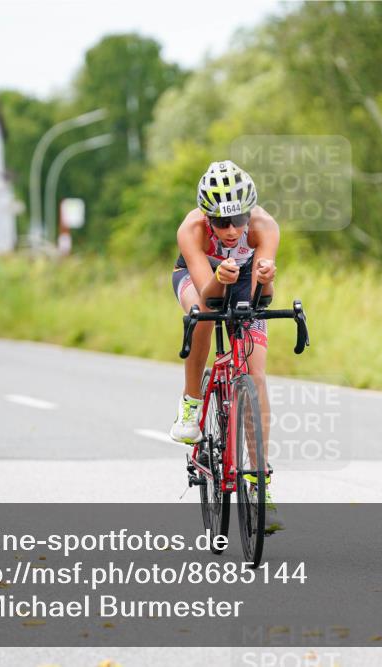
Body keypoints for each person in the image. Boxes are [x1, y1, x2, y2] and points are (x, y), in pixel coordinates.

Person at [169, 161, 280, 516]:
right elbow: (209, 293)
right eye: (221, 222)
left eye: (239, 219)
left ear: (251, 213)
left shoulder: (264, 228)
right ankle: (191, 403)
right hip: (200, 277)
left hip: (245, 277)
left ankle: (259, 484)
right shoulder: (192, 230)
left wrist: (267, 277)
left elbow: (264, 298)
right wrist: (220, 276)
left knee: (255, 374)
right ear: (207, 217)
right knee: (202, 312)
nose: (231, 230)